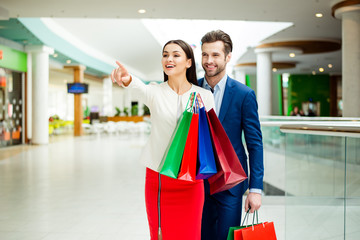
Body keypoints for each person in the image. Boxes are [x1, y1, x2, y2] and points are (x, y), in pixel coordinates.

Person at [111, 40, 215, 240]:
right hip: (159, 179)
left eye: (176, 55)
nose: (169, 59)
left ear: (188, 62)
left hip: (191, 181)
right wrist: (127, 78)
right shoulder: (155, 92)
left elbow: (210, 137)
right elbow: (137, 86)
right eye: (165, 54)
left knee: (191, 234)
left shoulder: (204, 96)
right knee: (160, 234)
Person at [198, 30, 264, 240]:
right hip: (197, 182)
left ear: (227, 57)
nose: (209, 61)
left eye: (215, 55)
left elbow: (255, 144)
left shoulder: (244, 95)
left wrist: (255, 189)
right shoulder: (191, 89)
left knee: (226, 237)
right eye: (205, 54)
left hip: (231, 183)